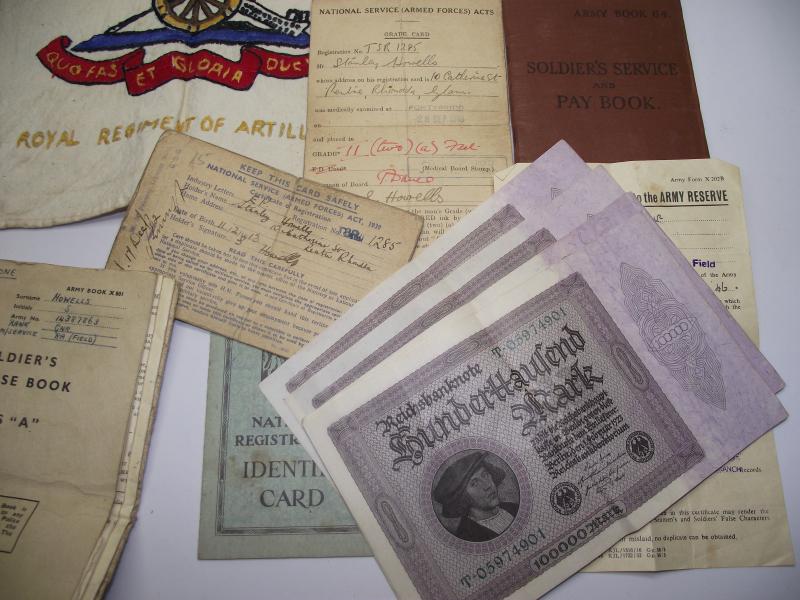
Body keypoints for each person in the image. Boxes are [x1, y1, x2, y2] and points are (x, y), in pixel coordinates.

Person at [433, 451, 519, 542]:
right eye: (474, 484)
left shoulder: (513, 508)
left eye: (485, 475)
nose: (487, 485)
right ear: (463, 497)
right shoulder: (467, 537)